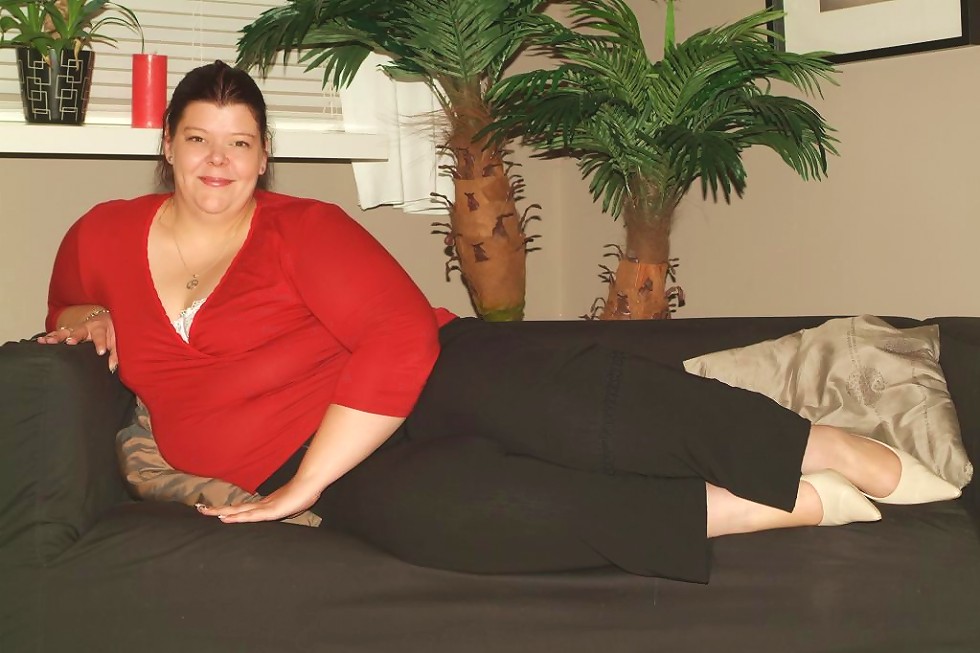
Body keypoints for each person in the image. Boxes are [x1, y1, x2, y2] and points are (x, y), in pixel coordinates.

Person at [37, 61, 960, 583]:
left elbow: (400, 339)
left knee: (586, 406)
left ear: (264, 154)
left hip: (431, 374)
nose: (218, 160)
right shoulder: (102, 235)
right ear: (168, 145)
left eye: (239, 142)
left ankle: (833, 448)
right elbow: (68, 299)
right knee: (478, 520)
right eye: (199, 138)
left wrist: (296, 491)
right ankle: (778, 503)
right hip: (327, 460)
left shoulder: (302, 229)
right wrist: (80, 313)